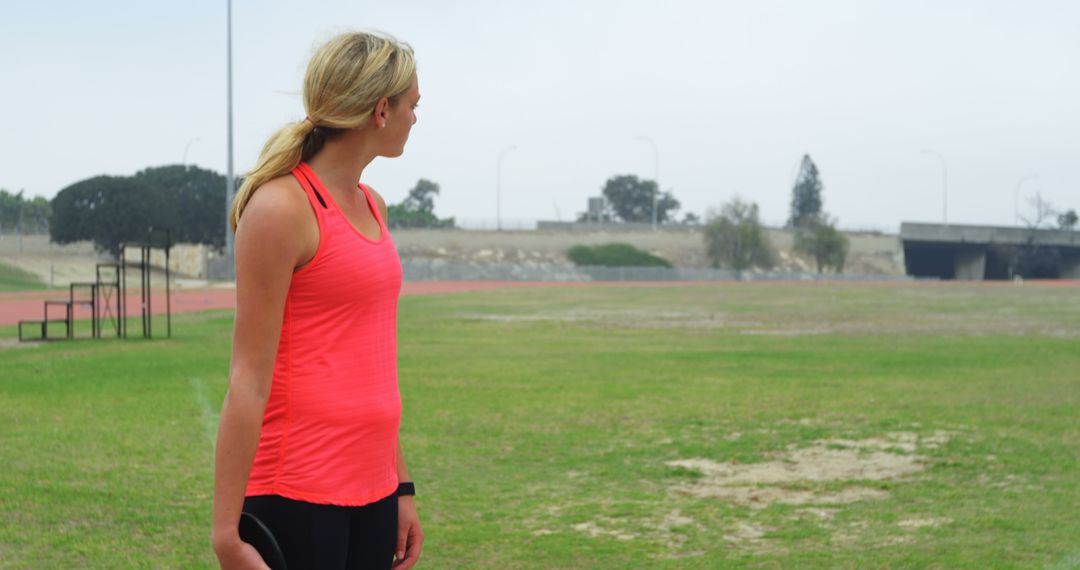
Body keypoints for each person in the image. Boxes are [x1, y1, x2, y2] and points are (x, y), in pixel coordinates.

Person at [211, 31, 424, 570]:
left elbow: (371, 363)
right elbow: (249, 375)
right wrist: (225, 534)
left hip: (373, 489)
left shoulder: (372, 204)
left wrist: (401, 485)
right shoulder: (282, 208)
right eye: (412, 106)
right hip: (298, 491)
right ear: (381, 110)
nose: (415, 119)